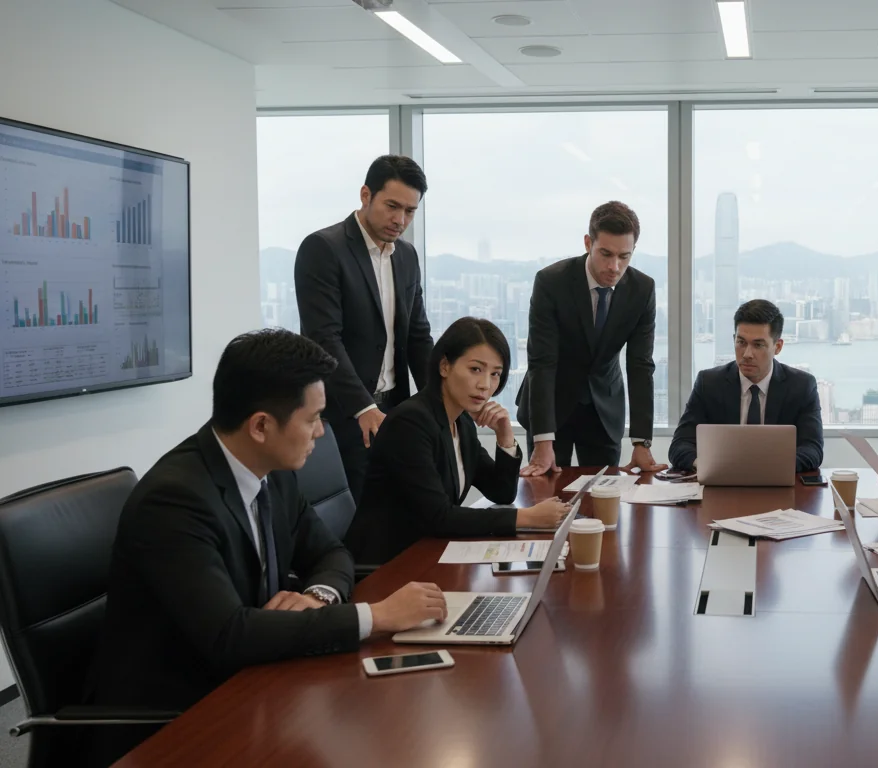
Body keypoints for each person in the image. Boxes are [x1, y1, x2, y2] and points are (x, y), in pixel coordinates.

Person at [86, 330, 448, 764]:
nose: (321, 431)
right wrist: (377, 617)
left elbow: (332, 553)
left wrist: (318, 596)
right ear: (260, 426)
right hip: (179, 719)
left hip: (258, 681)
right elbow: (228, 635)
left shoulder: (271, 473)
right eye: (313, 418)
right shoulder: (175, 501)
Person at [346, 318, 572, 565]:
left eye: (495, 374)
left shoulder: (461, 422)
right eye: (475, 369)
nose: (485, 385)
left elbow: (502, 492)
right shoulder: (410, 422)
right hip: (387, 564)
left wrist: (505, 436)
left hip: (428, 553)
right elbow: (440, 517)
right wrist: (527, 518)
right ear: (444, 366)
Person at [294, 155, 435, 502]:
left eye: (410, 211)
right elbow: (324, 338)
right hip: (344, 414)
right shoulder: (324, 249)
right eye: (392, 206)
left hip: (395, 412)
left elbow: (418, 336)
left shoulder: (407, 256)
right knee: (354, 516)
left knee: (400, 512)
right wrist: (364, 407)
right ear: (365, 195)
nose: (400, 220)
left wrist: (441, 402)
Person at [517, 201, 667, 475]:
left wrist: (641, 442)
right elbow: (542, 361)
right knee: (547, 490)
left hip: (604, 409)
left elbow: (640, 365)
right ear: (588, 243)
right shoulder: (551, 282)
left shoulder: (642, 289)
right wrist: (543, 439)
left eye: (624, 256)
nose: (614, 267)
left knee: (605, 494)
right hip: (551, 406)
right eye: (606, 254)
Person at [669, 299, 824, 472]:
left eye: (758, 345)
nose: (747, 354)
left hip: (776, 481)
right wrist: (706, 465)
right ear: (734, 339)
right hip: (721, 480)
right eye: (741, 342)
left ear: (778, 347)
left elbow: (813, 449)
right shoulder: (709, 383)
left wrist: (768, 468)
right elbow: (680, 445)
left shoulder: (801, 386)